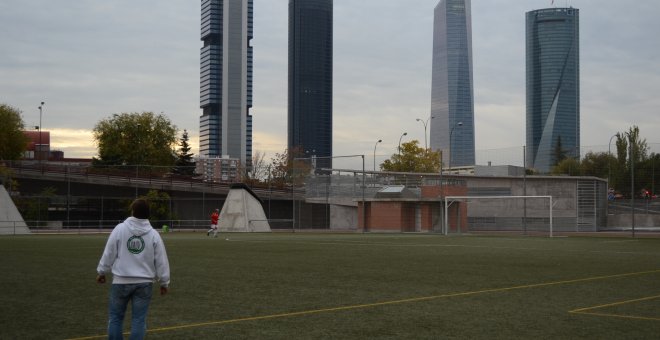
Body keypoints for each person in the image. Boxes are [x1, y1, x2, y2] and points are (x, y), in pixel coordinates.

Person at [96, 199, 170, 340]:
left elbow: (109, 252)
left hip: (120, 281)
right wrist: (164, 282)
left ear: (133, 212)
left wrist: (101, 272)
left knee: (115, 318)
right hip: (144, 283)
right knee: (138, 320)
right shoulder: (153, 234)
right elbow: (161, 260)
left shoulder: (120, 229)